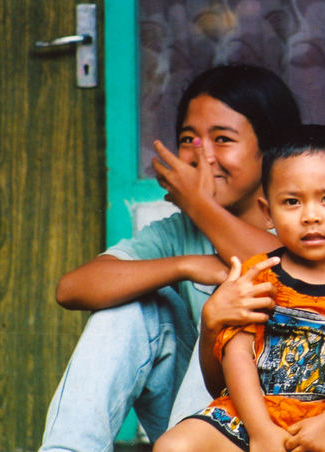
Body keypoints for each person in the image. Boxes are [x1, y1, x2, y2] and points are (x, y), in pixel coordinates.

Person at [41, 64, 301, 450]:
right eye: (189, 139)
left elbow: (293, 276)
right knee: (133, 303)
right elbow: (72, 289)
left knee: (225, 306)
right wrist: (186, 265)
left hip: (289, 424)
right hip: (194, 426)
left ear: (271, 148)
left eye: (223, 139)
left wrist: (199, 205)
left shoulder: (307, 224)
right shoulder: (179, 233)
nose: (202, 156)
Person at [154, 125, 325, 452]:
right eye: (292, 202)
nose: (311, 216)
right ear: (268, 212)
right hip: (249, 416)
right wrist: (261, 432)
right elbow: (237, 356)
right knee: (174, 446)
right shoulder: (259, 274)